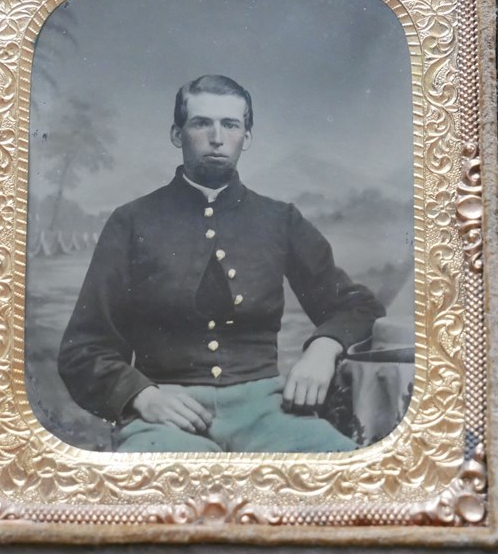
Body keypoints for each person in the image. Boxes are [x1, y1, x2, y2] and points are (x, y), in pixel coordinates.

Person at [58, 75, 384, 452]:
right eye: (201, 123)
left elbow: (360, 306)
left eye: (230, 124)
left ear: (246, 137)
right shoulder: (131, 222)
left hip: (269, 414)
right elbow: (83, 349)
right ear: (177, 134)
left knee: (339, 469)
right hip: (166, 417)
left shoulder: (280, 219)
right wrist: (142, 397)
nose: (217, 137)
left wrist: (324, 347)